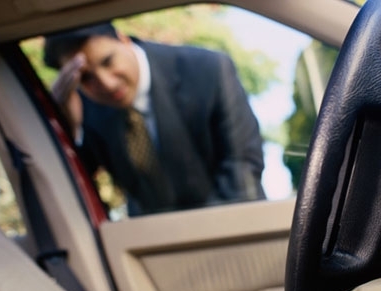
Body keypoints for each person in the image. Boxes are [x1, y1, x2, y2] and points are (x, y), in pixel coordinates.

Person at [44, 23, 266, 216]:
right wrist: (69, 128)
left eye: (108, 61)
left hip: (234, 230)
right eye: (86, 77)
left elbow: (242, 167)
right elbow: (74, 190)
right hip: (151, 247)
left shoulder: (208, 69)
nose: (107, 84)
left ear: (123, 40)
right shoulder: (85, 107)